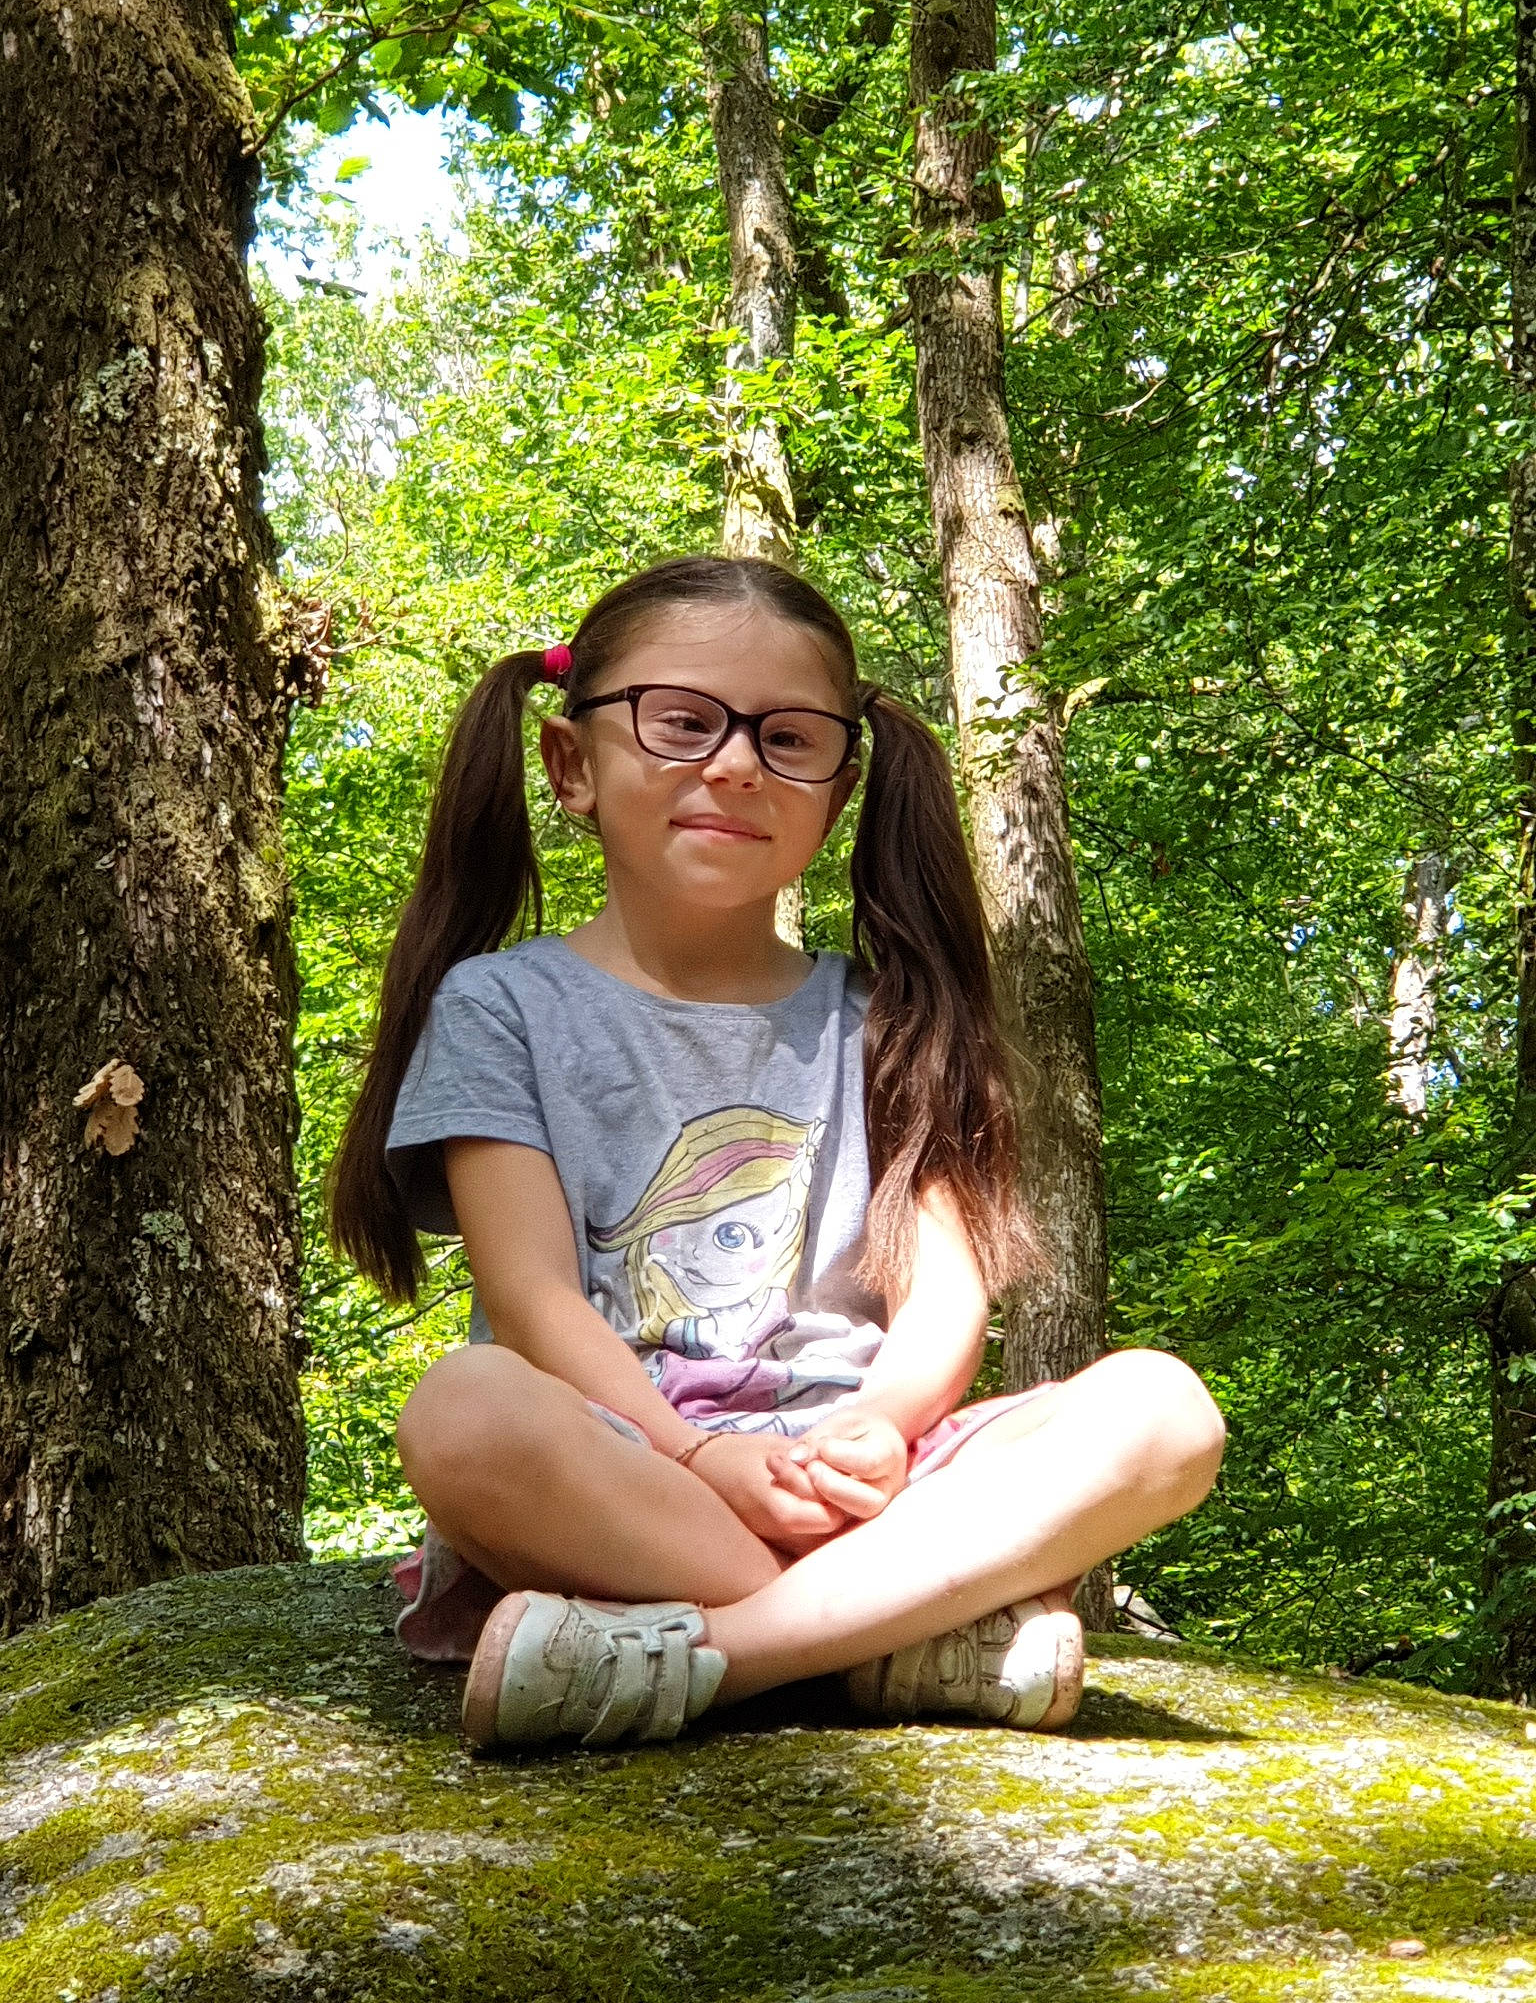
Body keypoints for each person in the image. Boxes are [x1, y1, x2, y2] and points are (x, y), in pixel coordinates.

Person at [327, 554, 1226, 1751]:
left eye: (789, 737)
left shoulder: (890, 1014)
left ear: (838, 788)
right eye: (682, 721)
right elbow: (532, 1297)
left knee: (1165, 1412)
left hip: (865, 1472)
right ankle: (891, 1624)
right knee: (460, 1409)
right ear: (570, 762)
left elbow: (944, 1292)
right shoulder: (503, 1005)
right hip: (630, 1471)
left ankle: (713, 1660)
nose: (737, 762)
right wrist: (702, 1454)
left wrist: (879, 1427)